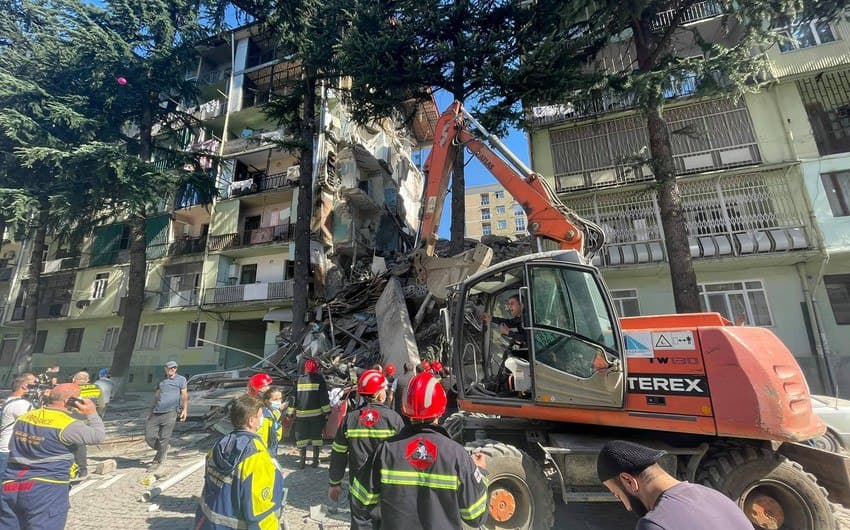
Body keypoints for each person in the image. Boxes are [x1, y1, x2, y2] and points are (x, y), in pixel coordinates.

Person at [350, 372, 489, 529]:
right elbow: (475, 516)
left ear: (405, 408)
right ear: (442, 410)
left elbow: (360, 503)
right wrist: (481, 473)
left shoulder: (384, 451)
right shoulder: (457, 455)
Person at [0, 383, 105, 529]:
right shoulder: (68, 425)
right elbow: (98, 436)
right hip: (46, 488)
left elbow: (12, 446)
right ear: (70, 400)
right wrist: (92, 413)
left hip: (11, 484)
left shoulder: (25, 417)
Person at [597, 440, 752, 530]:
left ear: (629, 481)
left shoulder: (656, 524)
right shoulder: (717, 497)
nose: (627, 506)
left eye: (618, 495)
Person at [195, 394, 285, 530]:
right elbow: (260, 511)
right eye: (261, 416)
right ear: (251, 421)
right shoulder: (257, 457)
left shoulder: (219, 446)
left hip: (209, 524)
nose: (263, 419)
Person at [328, 370, 404, 509]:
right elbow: (401, 458)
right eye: (384, 389)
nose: (386, 393)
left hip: (358, 491)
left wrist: (335, 483)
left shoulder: (350, 420)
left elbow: (338, 453)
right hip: (386, 492)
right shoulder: (394, 419)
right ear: (379, 394)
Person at [286, 358, 330, 469]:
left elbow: (293, 398)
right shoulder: (320, 379)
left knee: (302, 438)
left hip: (301, 416)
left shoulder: (299, 380)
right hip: (317, 415)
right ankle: (315, 461)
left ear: (305, 368)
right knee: (316, 437)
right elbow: (323, 397)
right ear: (316, 368)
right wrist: (327, 411)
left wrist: (289, 413)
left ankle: (302, 462)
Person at [145, 360, 188, 469]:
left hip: (171, 412)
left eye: (174, 367)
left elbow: (184, 395)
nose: (172, 369)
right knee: (149, 436)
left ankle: (157, 461)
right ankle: (163, 449)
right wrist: (150, 410)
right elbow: (156, 396)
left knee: (164, 437)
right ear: (165, 368)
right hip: (157, 412)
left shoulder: (181, 380)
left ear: (176, 369)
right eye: (170, 367)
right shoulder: (162, 380)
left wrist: (185, 410)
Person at [0, 373, 36, 477]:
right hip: (9, 450)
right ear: (24, 386)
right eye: (34, 385)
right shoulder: (21, 404)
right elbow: (36, 424)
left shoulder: (10, 400)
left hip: (5, 448)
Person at [258, 387, 284, 457]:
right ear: (266, 401)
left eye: (280, 398)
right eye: (275, 399)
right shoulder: (263, 415)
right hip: (263, 449)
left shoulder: (275, 412)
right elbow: (259, 434)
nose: (279, 401)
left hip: (272, 446)